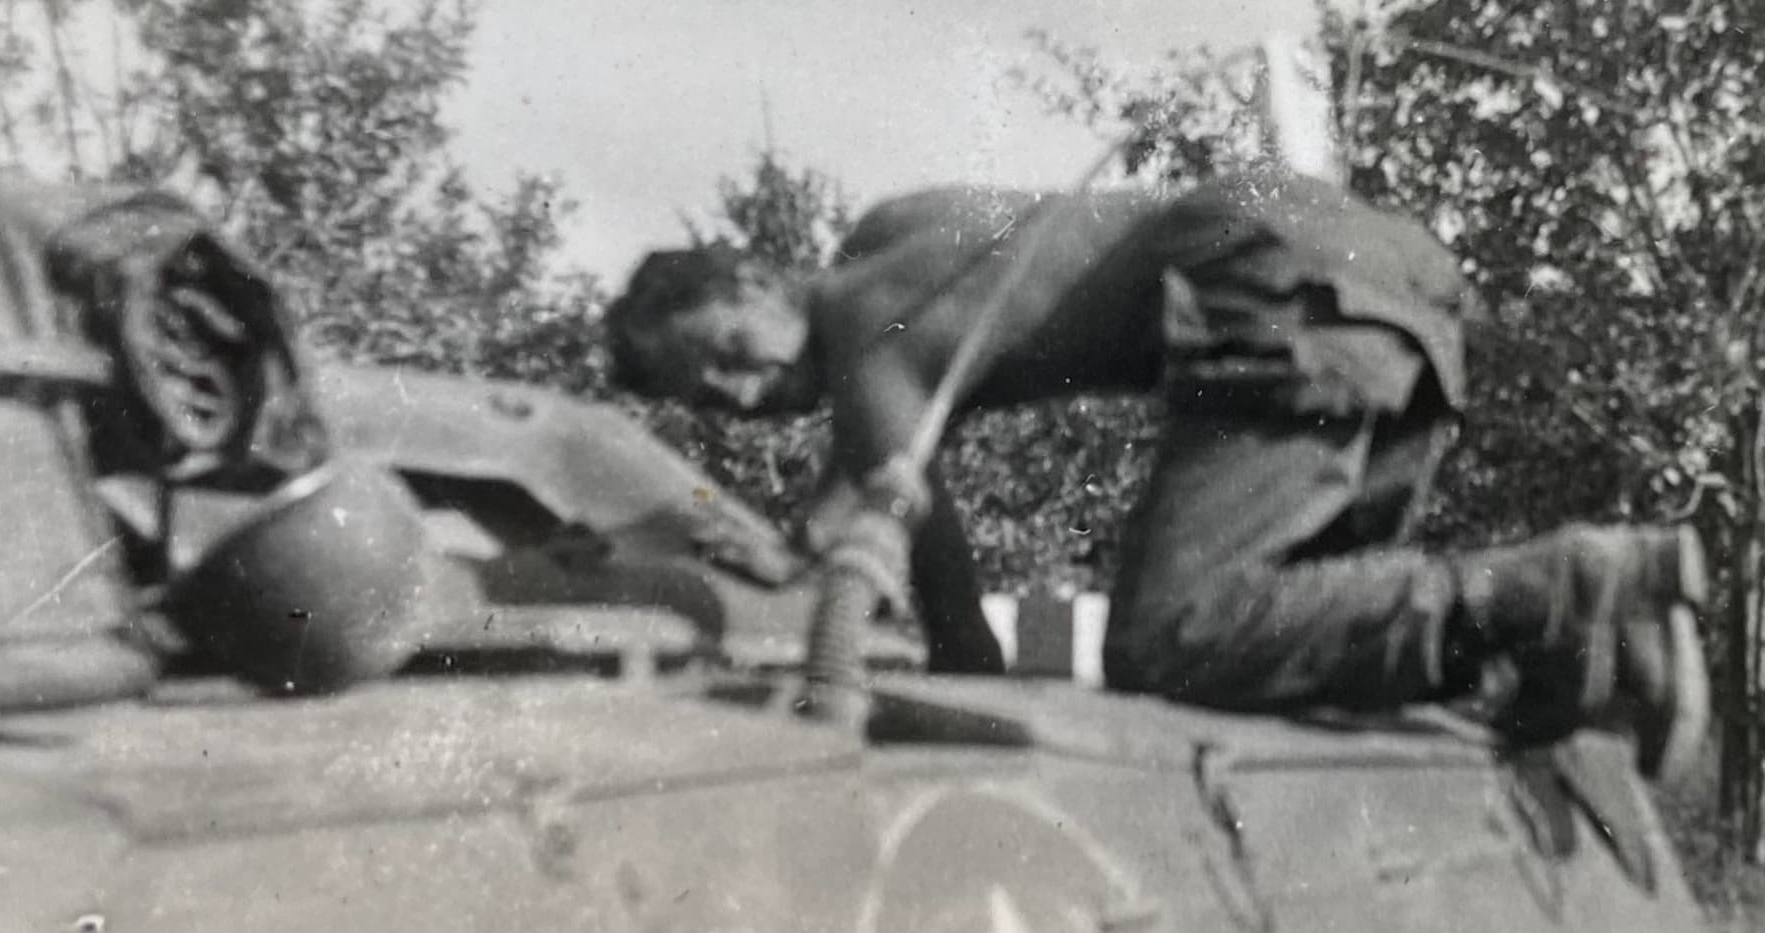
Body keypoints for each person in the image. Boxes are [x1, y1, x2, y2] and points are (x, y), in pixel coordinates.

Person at [606, 168, 1708, 772]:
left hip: (1266, 283)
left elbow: (962, 643)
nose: (743, 396)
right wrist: (807, 529)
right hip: (1385, 265)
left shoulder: (862, 358)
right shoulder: (888, 233)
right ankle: (1592, 647)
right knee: (1304, 633)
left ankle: (1568, 580)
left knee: (1172, 637)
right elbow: (885, 414)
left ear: (756, 276)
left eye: (726, 355)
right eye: (712, 401)